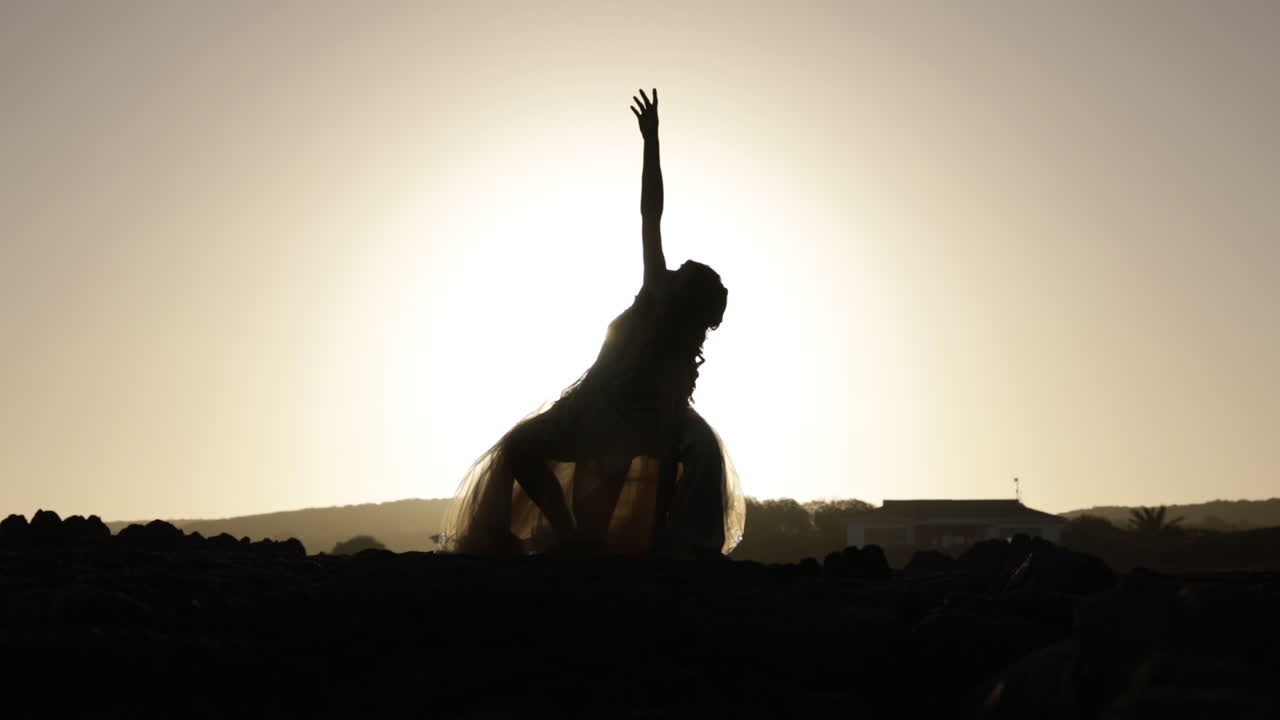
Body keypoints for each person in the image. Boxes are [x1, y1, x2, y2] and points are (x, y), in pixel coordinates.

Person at [440, 89, 744, 558]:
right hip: (594, 402)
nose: (675, 265)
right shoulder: (654, 292)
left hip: (632, 416)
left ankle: (623, 548)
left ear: (686, 297)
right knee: (521, 446)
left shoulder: (667, 326)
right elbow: (651, 215)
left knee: (661, 466)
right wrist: (651, 141)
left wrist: (652, 142)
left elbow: (651, 213)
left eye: (684, 270)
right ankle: (568, 531)